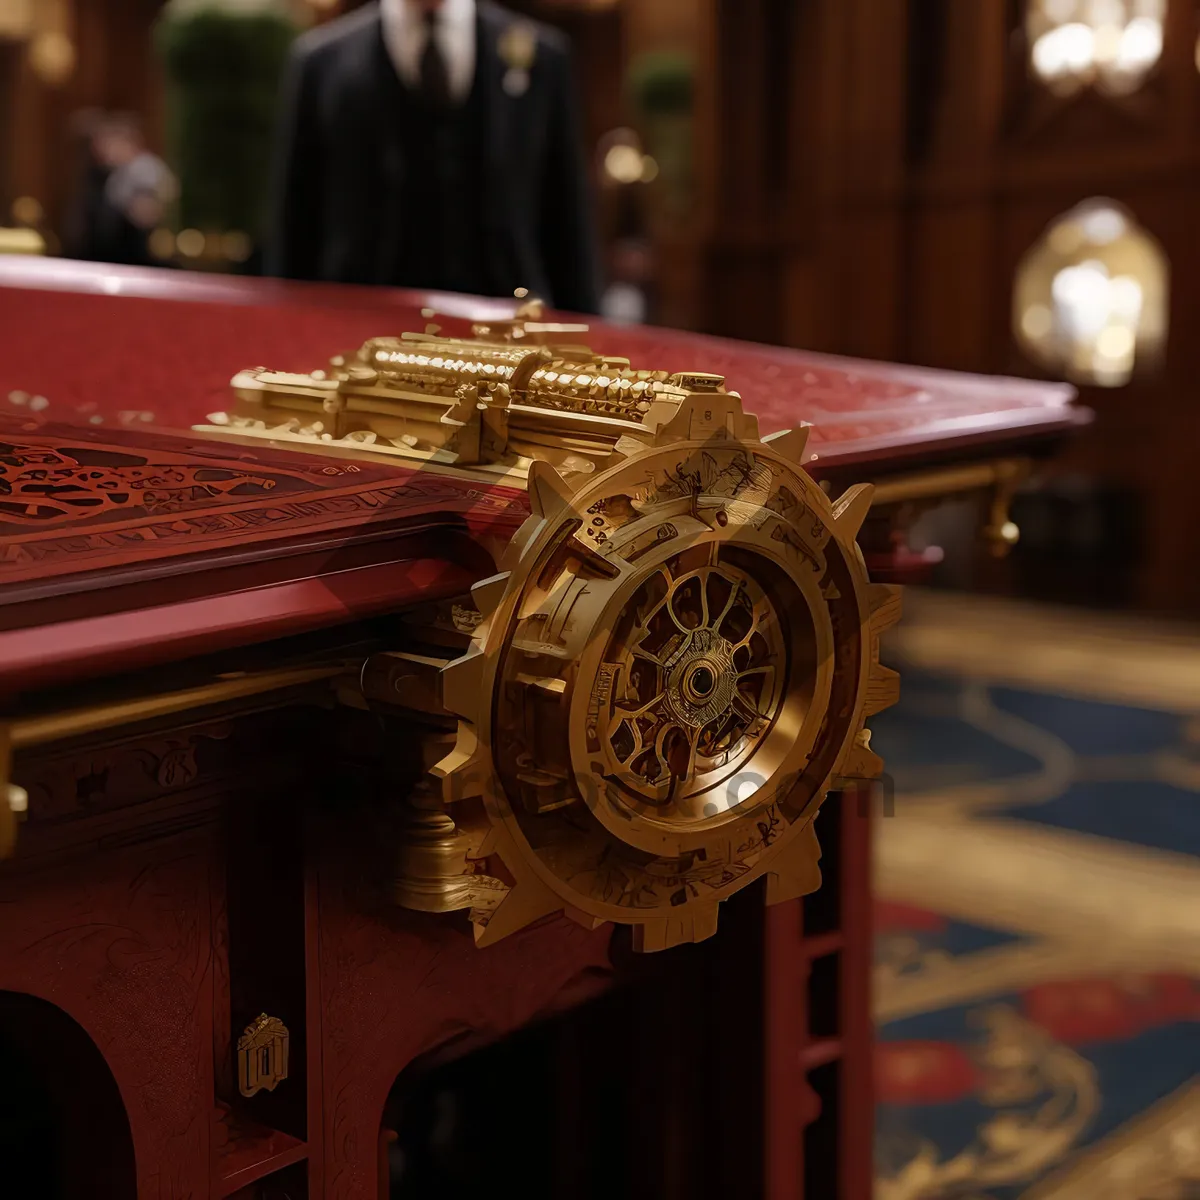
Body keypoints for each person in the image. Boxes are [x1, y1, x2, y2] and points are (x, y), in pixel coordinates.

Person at [266, 0, 601, 313]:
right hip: (360, 324)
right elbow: (296, 219)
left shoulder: (542, 55)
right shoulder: (321, 62)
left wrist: (589, 334)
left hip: (507, 326)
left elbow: (566, 214)